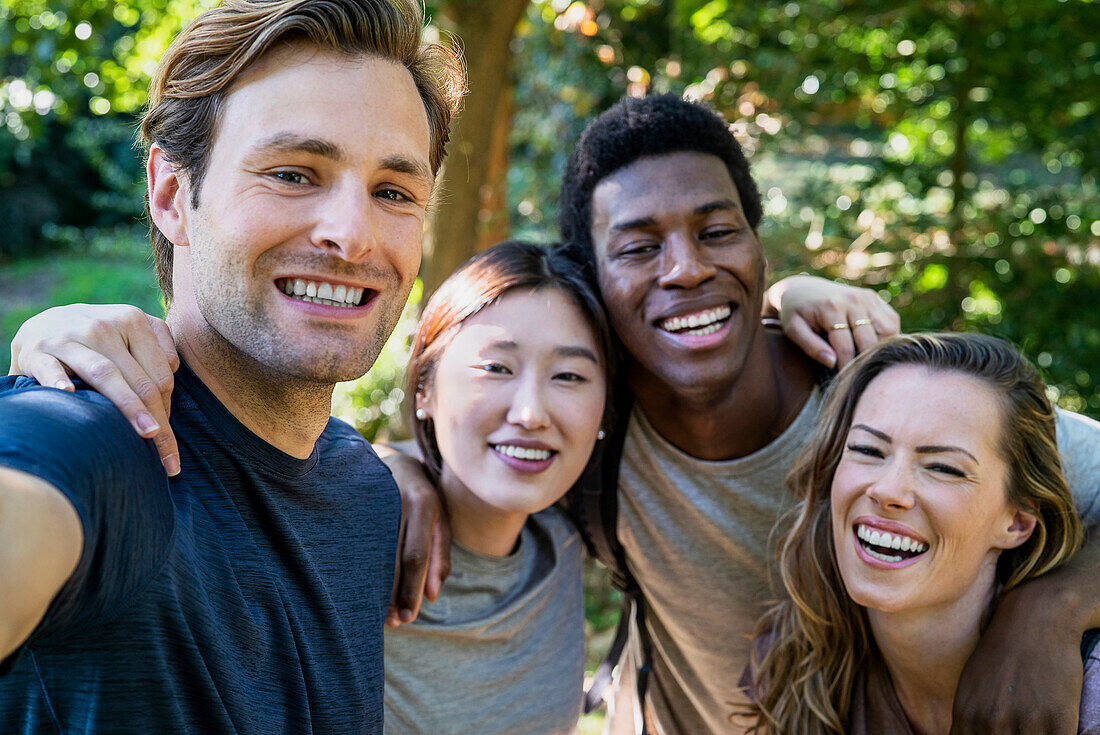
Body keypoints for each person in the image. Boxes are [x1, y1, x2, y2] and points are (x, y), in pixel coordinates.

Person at [548, 94, 1100, 735]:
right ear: (591, 277)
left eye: (718, 232)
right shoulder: (583, 425)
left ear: (759, 250)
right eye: (638, 247)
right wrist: (407, 482)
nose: (687, 269)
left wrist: (1049, 612)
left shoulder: (883, 399)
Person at [0, 1, 464, 732]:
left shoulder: (366, 492)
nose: (351, 233)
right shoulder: (97, 444)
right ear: (172, 195)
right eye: (292, 173)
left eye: (393, 191)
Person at [741, 332, 1095, 735]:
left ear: (1016, 523)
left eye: (943, 468)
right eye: (867, 450)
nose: (888, 490)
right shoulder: (789, 665)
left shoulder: (1088, 700)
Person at [383, 240, 612, 733]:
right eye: (496, 368)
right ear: (425, 386)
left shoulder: (570, 537)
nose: (530, 413)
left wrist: (788, 299)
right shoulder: (348, 540)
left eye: (569, 376)